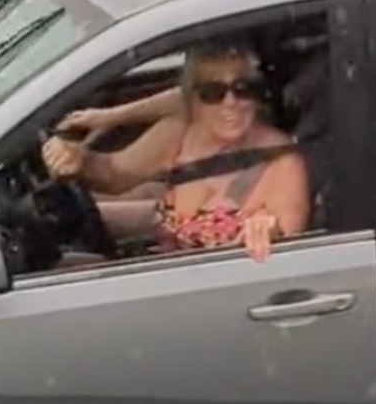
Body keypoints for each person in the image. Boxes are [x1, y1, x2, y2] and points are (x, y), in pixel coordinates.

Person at [41, 41, 309, 262]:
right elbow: (113, 175)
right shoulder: (180, 133)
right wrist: (77, 157)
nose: (231, 103)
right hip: (168, 276)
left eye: (243, 89)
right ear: (192, 99)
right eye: (212, 92)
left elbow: (287, 254)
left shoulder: (283, 163)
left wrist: (270, 230)